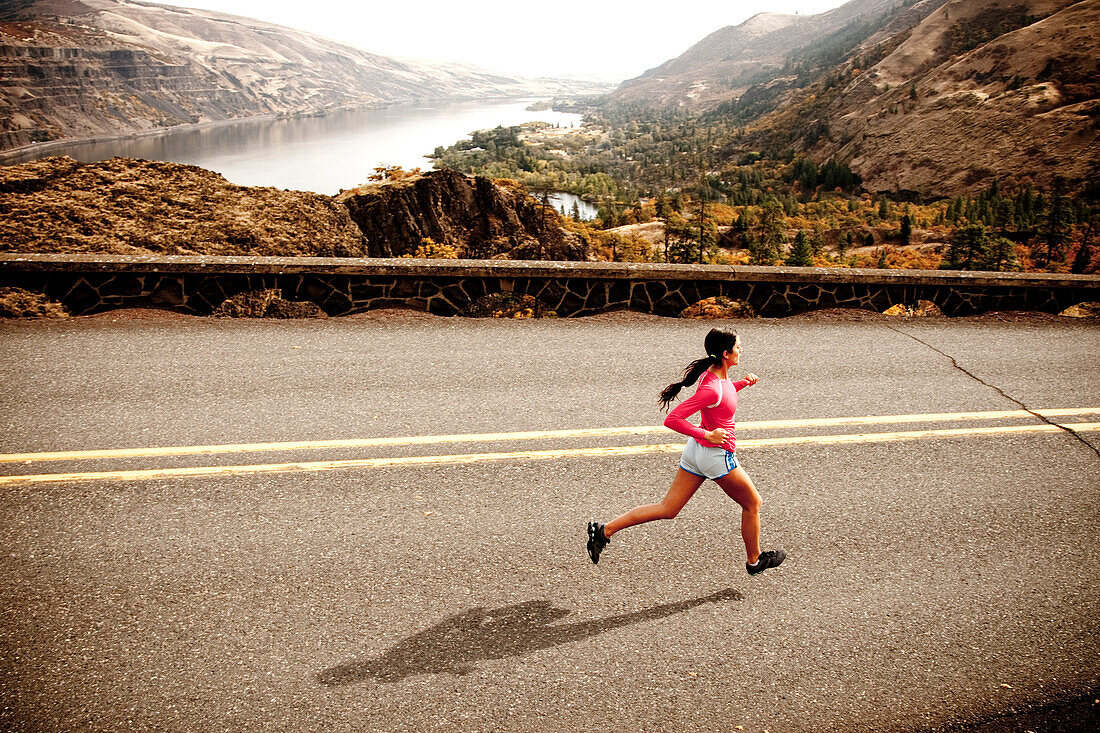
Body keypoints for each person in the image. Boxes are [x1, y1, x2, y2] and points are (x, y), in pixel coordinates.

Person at [586, 327, 786, 576]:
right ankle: (754, 561)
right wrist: (707, 434)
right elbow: (673, 419)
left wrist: (742, 383)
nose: (741, 350)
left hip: (696, 454)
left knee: (668, 508)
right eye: (737, 347)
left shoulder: (713, 378)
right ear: (725, 353)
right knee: (753, 503)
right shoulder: (712, 388)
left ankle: (603, 531)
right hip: (716, 455)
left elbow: (721, 397)